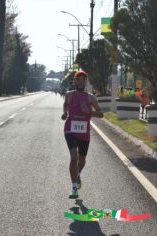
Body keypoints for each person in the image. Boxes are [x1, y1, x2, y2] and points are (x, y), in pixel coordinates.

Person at [61, 70, 104, 199]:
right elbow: (65, 104)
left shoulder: (91, 97)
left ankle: (77, 174)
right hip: (70, 129)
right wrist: (65, 113)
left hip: (84, 131)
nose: (80, 81)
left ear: (85, 81)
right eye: (78, 79)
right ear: (74, 81)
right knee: (73, 157)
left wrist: (88, 112)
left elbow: (101, 114)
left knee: (82, 159)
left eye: (83, 79)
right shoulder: (69, 95)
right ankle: (74, 187)